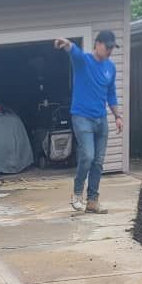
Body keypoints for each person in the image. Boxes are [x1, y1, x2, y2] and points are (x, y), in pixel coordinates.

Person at [54, 31, 122, 213]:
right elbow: (74, 52)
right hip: (82, 117)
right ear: (97, 44)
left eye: (112, 48)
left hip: (101, 120)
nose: (109, 51)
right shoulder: (83, 61)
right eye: (107, 47)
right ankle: (77, 193)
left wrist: (117, 116)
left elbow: (111, 94)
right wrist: (67, 44)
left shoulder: (110, 68)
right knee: (88, 156)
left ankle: (92, 201)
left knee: (98, 162)